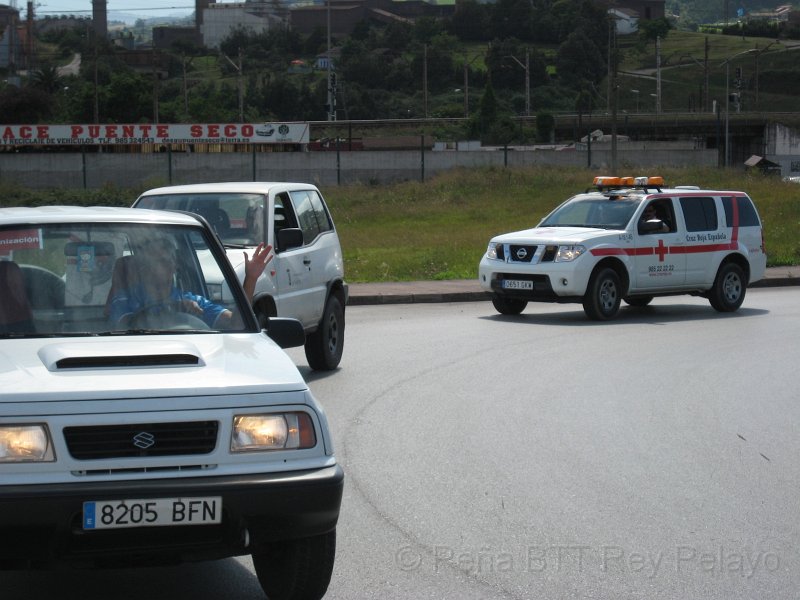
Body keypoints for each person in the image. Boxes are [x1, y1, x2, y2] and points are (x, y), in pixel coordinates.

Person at [108, 239, 272, 328]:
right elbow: (125, 326)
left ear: (174, 266)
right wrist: (174, 307)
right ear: (143, 266)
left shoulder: (195, 302)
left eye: (166, 260)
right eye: (154, 260)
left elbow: (236, 324)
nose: (161, 265)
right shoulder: (125, 298)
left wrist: (251, 278)